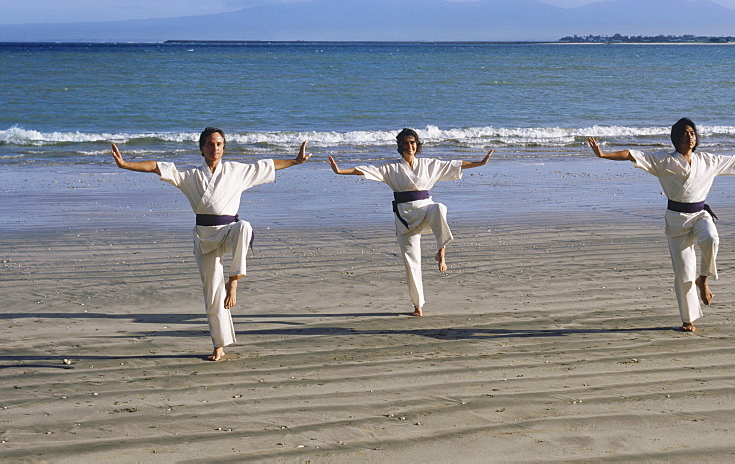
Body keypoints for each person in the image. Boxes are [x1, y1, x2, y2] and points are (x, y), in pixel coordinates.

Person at [111, 128, 310, 361]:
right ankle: (219, 345)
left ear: (223, 148)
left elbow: (267, 165)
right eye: (210, 144)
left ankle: (234, 280)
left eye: (218, 144)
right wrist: (125, 164)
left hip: (229, 232)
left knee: (245, 226)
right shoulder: (190, 176)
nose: (214, 148)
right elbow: (157, 166)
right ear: (202, 149)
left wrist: (296, 161)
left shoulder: (238, 171)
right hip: (204, 238)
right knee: (212, 294)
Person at [587, 118, 735, 332]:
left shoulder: (707, 160)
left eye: (692, 132)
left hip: (701, 214)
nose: (690, 136)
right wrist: (603, 154)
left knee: (711, 239)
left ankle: (703, 280)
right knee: (683, 274)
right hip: (676, 219)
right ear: (676, 137)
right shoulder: (664, 160)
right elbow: (631, 154)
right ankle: (687, 319)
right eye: (685, 133)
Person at [328, 128, 493, 317]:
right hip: (404, 218)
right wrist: (340, 171)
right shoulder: (391, 168)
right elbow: (364, 170)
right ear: (400, 146)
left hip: (425, 212)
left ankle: (441, 251)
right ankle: (418, 306)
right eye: (406, 143)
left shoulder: (428, 164)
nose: (410, 146)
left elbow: (453, 165)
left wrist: (480, 162)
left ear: (417, 144)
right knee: (411, 261)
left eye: (413, 142)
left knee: (439, 207)